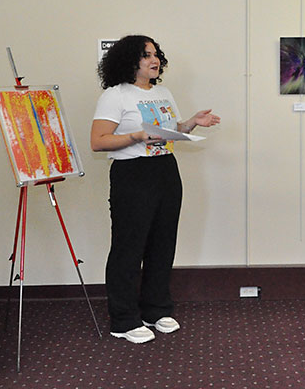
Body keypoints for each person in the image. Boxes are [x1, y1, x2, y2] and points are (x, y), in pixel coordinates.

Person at [91, 35, 220, 343]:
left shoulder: (163, 92)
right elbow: (98, 141)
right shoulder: (115, 95)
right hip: (132, 174)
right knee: (128, 247)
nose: (154, 60)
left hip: (165, 170)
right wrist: (136, 137)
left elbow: (168, 131)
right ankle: (123, 319)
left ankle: (156, 309)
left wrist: (189, 123)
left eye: (156, 54)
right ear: (129, 60)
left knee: (163, 243)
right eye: (146, 55)